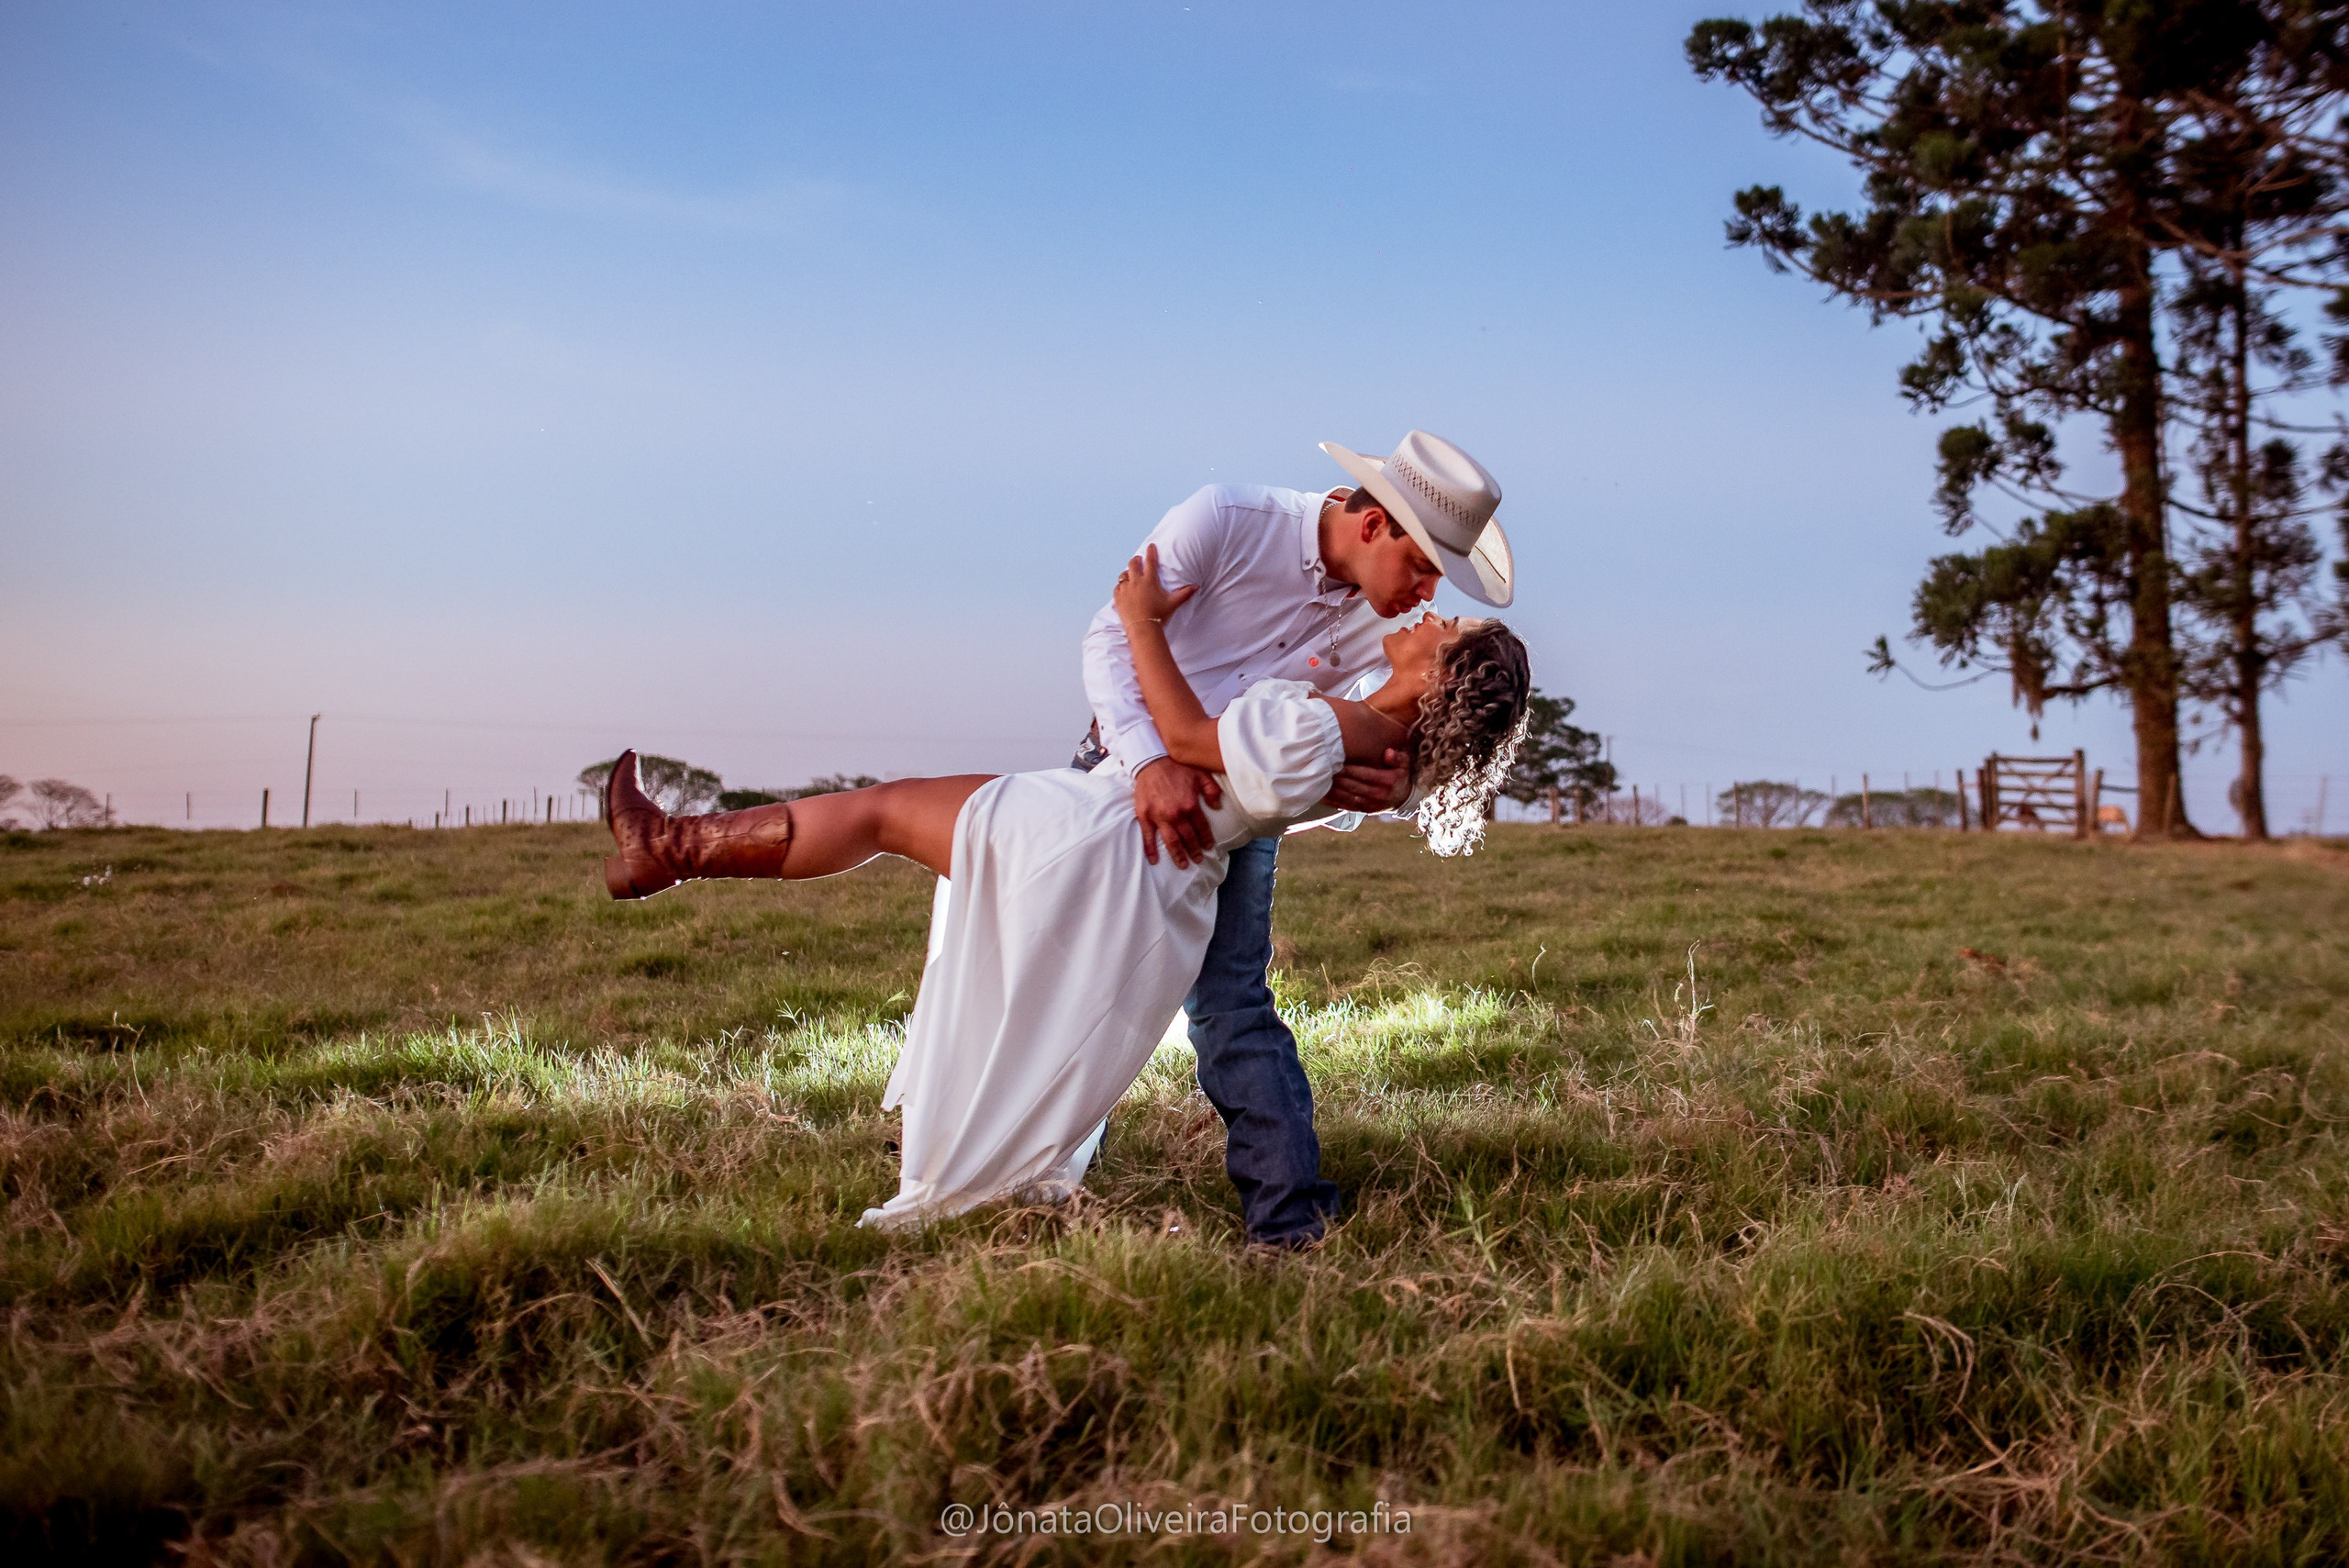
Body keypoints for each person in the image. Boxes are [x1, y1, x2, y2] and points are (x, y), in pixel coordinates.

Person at [597, 552, 1531, 1236]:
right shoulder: (1371, 746)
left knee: (882, 812)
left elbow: (1184, 734)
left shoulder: (1340, 732)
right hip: (1152, 868)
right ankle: (670, 847)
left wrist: (1140, 622)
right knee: (940, 889)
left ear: (1442, 674)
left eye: (1443, 631)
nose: (1427, 616)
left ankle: (670, 847)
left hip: (1102, 835)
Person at [1074, 430, 1516, 1245]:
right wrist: (1143, 765)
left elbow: (1372, 734)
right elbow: (1112, 637)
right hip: (1126, 774)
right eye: (1420, 566)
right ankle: (1046, 1169)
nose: (1424, 595)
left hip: (1248, 810)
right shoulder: (1228, 520)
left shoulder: (1384, 629)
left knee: (1232, 1004)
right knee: (1086, 983)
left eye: (1438, 582)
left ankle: (1289, 1220)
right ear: (1374, 523)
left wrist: (1390, 792)